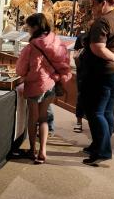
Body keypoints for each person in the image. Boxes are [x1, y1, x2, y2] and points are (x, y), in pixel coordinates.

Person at [80, 0, 114, 166]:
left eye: (93, 4)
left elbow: (97, 47)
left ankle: (102, 150)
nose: (92, 8)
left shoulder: (102, 21)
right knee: (107, 111)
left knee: (96, 113)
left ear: (103, 3)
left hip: (103, 74)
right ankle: (98, 145)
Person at [15, 13, 72, 164]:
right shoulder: (56, 41)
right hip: (51, 84)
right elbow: (65, 60)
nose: (28, 30)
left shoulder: (32, 46)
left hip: (34, 85)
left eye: (29, 27)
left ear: (35, 27)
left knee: (32, 119)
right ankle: (43, 151)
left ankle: (32, 150)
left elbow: (21, 70)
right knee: (44, 118)